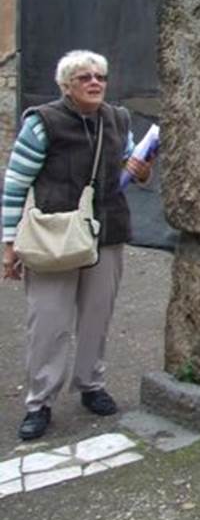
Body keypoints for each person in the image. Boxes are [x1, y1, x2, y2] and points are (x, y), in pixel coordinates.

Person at [1, 50, 153, 440]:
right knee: (48, 322)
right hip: (55, 235)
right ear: (66, 85)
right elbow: (16, 185)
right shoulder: (43, 123)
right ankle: (39, 401)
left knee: (95, 318)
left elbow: (128, 167)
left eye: (100, 76)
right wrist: (10, 242)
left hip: (107, 232)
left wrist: (139, 169)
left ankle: (91, 384)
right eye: (84, 77)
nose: (95, 83)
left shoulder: (117, 119)